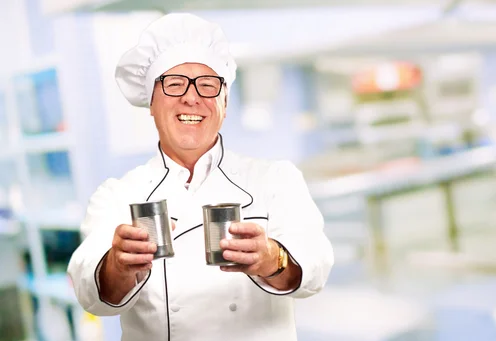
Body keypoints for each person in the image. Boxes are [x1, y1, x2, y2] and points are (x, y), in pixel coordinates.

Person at [67, 12, 334, 341]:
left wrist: (271, 258)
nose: (191, 97)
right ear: (150, 101)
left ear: (224, 101)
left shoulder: (276, 179)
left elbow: (316, 265)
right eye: (175, 83)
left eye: (208, 85)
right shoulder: (117, 195)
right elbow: (88, 289)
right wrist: (118, 266)